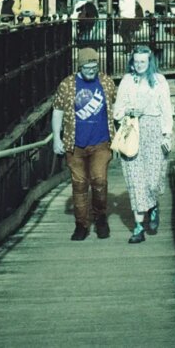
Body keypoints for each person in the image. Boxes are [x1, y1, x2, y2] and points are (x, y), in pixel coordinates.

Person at [52, 47, 118, 241]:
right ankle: (81, 225)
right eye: (87, 66)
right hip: (75, 145)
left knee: (99, 180)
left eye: (94, 66)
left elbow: (116, 106)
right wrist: (56, 137)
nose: (91, 70)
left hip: (101, 142)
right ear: (79, 66)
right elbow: (58, 111)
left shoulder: (106, 81)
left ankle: (100, 218)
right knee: (79, 185)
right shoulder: (67, 85)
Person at [113, 46, 174, 244]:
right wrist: (130, 111)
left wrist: (167, 134)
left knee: (152, 180)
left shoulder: (159, 81)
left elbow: (166, 109)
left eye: (143, 62)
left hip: (154, 130)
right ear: (132, 62)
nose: (139, 65)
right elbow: (117, 111)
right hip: (132, 130)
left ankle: (153, 205)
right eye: (136, 61)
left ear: (150, 62)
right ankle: (138, 227)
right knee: (136, 179)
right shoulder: (126, 81)